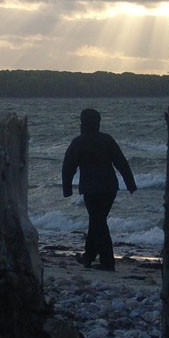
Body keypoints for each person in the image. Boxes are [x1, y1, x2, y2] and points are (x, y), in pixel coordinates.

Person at [62, 107, 136, 271]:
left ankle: (107, 261)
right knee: (97, 221)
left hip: (91, 189)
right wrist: (130, 183)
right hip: (109, 188)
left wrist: (67, 188)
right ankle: (89, 256)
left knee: (98, 222)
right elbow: (121, 162)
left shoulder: (79, 142)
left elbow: (68, 166)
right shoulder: (107, 140)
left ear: (83, 123)